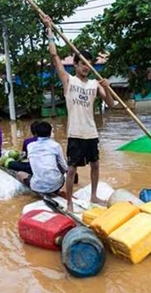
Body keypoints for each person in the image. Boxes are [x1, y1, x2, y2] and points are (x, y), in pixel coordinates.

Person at [43, 15, 115, 212]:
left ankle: (93, 196)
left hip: (91, 132)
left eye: (88, 64)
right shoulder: (68, 81)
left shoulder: (95, 84)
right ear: (75, 65)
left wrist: (107, 88)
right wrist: (49, 29)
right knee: (72, 169)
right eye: (82, 63)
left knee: (96, 165)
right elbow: (54, 57)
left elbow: (110, 103)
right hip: (75, 133)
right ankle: (69, 202)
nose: (86, 67)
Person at [17, 121, 68, 194]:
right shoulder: (56, 145)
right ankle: (54, 187)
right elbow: (65, 167)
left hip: (37, 187)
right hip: (57, 185)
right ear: (50, 133)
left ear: (36, 134)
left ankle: (38, 188)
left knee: (20, 174)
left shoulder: (30, 146)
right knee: (61, 163)